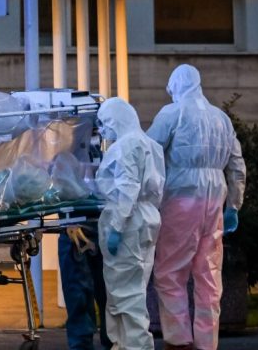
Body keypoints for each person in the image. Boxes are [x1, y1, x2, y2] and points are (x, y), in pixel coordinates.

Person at [147, 64, 246, 350]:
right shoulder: (221, 119)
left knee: (170, 272)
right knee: (208, 274)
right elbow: (237, 166)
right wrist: (234, 206)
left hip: (180, 198)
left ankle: (179, 341)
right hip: (215, 200)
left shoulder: (172, 114)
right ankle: (207, 342)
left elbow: (149, 152)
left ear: (176, 87)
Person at [95, 97, 166, 350]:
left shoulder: (126, 146)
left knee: (126, 297)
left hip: (127, 223)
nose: (103, 130)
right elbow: (156, 190)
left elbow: (127, 189)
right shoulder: (150, 144)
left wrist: (116, 226)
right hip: (146, 219)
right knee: (132, 290)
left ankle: (133, 346)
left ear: (116, 119)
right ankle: (125, 345)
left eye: (104, 124)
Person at [59, 224, 113, 350]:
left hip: (104, 223)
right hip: (79, 225)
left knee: (109, 298)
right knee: (79, 296)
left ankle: (110, 342)